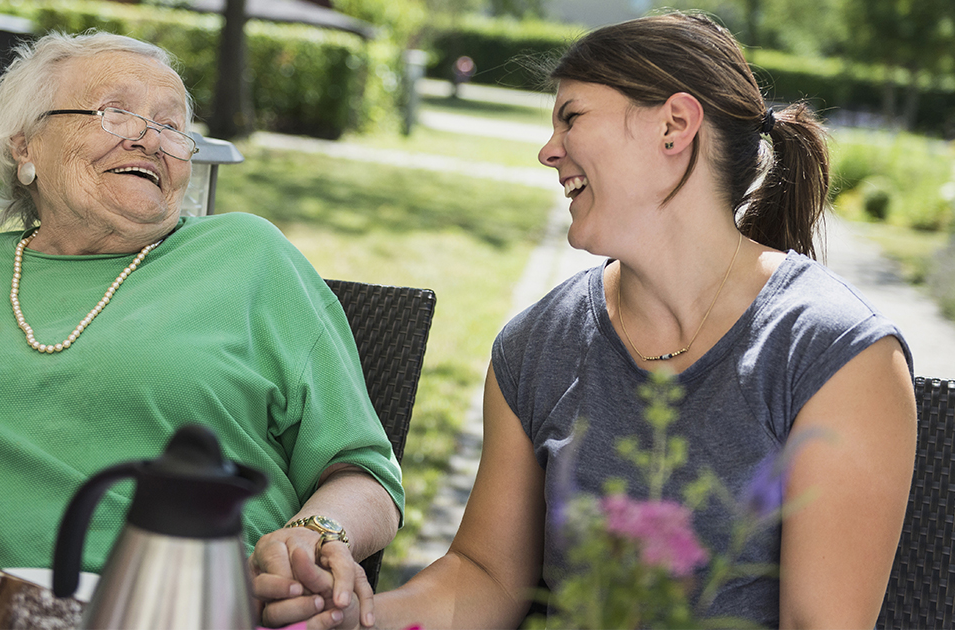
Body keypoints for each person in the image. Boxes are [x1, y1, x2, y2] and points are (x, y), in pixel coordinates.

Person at [269, 11, 916, 629]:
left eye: (571, 117)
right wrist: (357, 618)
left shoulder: (835, 354)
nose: (548, 152)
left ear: (675, 126)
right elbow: (487, 575)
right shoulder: (536, 344)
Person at [0, 31, 397, 626]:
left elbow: (365, 472)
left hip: (176, 608)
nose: (150, 138)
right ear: (25, 145)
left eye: (171, 126)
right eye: (115, 112)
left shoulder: (247, 256)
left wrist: (313, 533)